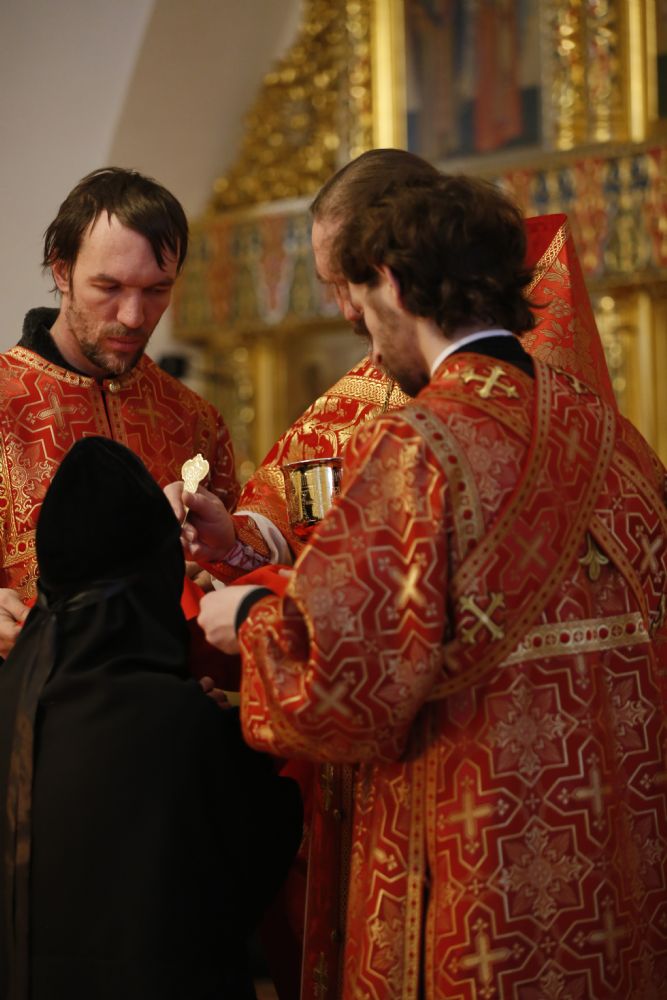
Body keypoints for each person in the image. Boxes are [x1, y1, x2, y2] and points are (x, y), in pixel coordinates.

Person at [191, 172, 667, 998]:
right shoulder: (611, 437)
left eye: (359, 296)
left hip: (474, 854)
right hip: (611, 867)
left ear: (392, 283)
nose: (360, 326)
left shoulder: (421, 445)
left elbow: (344, 687)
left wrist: (256, 616)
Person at [0, 436, 302, 1000]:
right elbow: (260, 860)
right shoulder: (184, 721)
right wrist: (217, 737)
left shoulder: (10, 693)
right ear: (161, 569)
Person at [0, 166, 250, 660]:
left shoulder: (195, 420)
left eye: (157, 290)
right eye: (109, 287)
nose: (134, 317)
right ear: (62, 271)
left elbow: (232, 575)